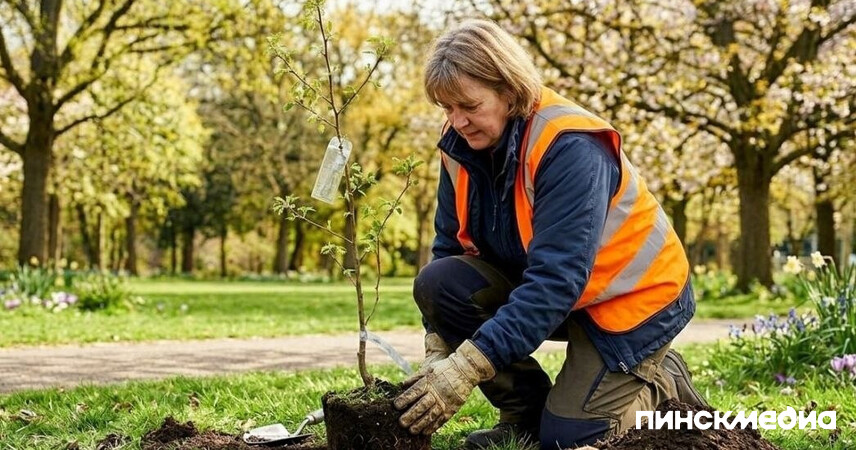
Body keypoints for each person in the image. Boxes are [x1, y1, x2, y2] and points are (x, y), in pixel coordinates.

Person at [392, 19, 707, 450]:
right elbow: (449, 248)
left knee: (569, 440)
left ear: (507, 89)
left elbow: (556, 282)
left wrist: (466, 368)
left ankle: (663, 384)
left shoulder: (570, 146)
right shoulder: (461, 143)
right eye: (446, 108)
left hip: (633, 302)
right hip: (559, 289)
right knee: (439, 281)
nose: (457, 121)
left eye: (468, 105)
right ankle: (524, 414)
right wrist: (437, 345)